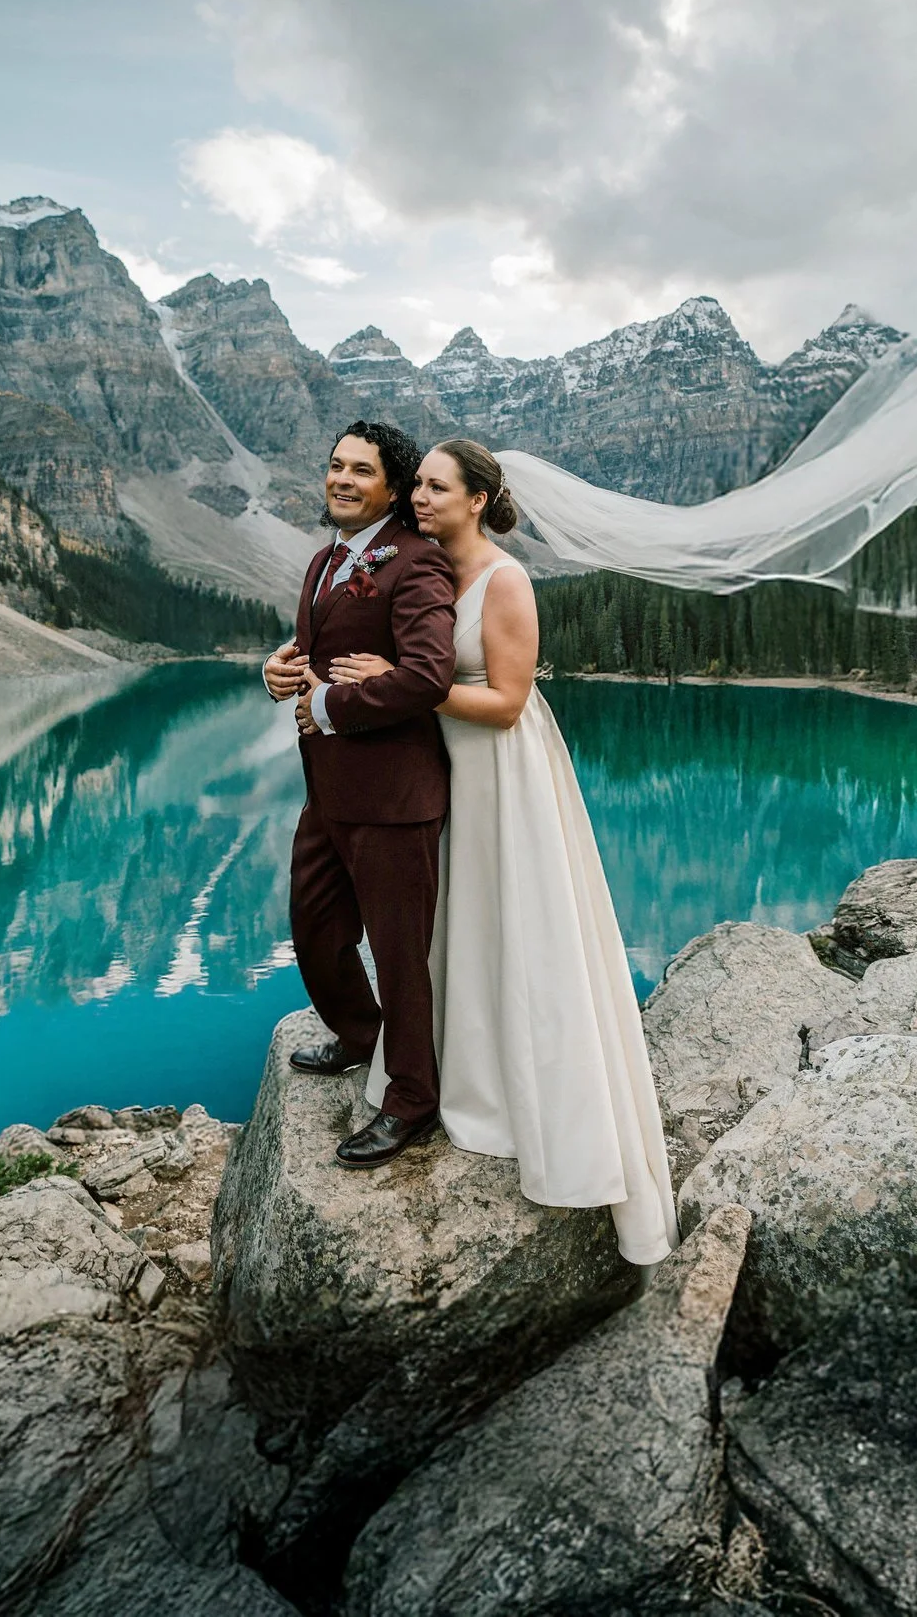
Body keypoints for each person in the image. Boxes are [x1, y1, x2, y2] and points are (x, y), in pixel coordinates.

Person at [326, 439, 678, 1265]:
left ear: (478, 498)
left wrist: (408, 682)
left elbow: (510, 699)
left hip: (502, 774)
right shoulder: (423, 571)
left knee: (520, 930)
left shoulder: (505, 579)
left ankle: (533, 1104)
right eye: (415, 486)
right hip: (443, 775)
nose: (419, 499)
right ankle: (453, 1071)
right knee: (460, 929)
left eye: (438, 488)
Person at [261, 421, 457, 1169]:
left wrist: (335, 707)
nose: (341, 479)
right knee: (314, 931)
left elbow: (429, 675)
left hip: (395, 798)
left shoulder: (417, 565)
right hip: (328, 792)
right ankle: (361, 1035)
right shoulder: (321, 561)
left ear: (392, 487)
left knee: (401, 954)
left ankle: (412, 1097)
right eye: (335, 465)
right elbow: (315, 658)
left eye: (360, 470)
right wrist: (279, 676)